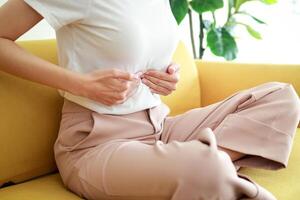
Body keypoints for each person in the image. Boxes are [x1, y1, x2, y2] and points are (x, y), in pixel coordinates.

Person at [0, 0, 299, 199]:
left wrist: (170, 77)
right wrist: (81, 85)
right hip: (95, 145)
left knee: (281, 98)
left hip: (159, 127)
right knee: (206, 167)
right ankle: (200, 168)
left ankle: (187, 166)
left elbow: (145, 57)